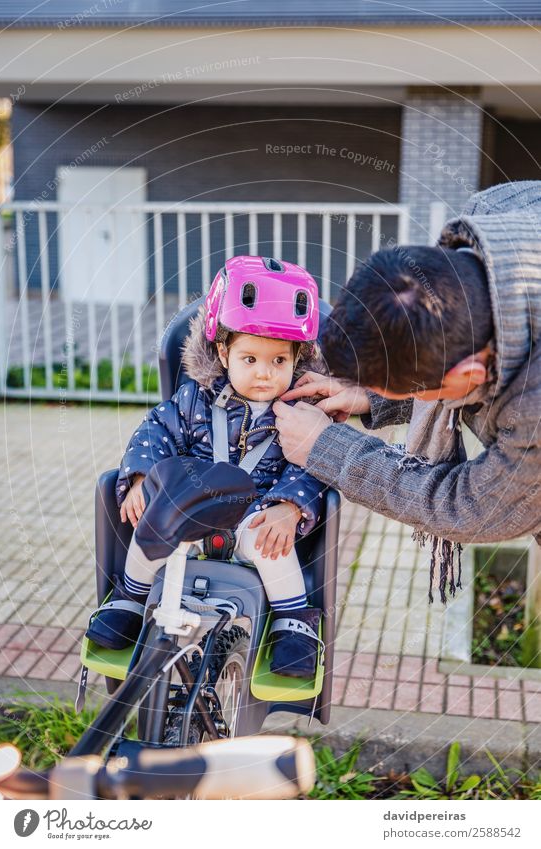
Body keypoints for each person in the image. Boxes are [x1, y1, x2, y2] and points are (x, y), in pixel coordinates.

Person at [274, 181, 541, 603]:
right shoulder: (492, 213)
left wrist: (324, 446)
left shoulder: (534, 409)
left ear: (470, 371)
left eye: (420, 390)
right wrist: (373, 394)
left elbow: (472, 506)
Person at [86, 255, 327, 678]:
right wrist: (143, 476)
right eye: (250, 360)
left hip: (257, 514)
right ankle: (129, 597)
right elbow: (156, 429)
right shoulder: (195, 399)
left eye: (279, 362)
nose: (265, 375)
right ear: (223, 351)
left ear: (297, 361)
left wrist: (288, 508)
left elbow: (311, 464)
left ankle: (295, 623)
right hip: (192, 507)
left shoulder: (299, 413)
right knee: (153, 527)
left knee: (274, 546)